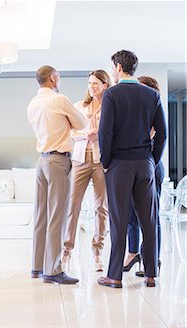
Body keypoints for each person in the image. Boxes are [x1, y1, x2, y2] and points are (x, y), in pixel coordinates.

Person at [97, 50, 167, 289]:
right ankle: (150, 274)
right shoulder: (151, 95)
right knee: (149, 220)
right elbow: (163, 133)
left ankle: (114, 276)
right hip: (145, 163)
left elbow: (105, 132)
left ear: (117, 67)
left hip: (119, 165)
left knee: (119, 221)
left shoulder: (112, 94)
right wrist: (152, 159)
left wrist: (105, 162)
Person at [27, 65, 86, 284]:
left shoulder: (32, 104)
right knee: (57, 216)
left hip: (41, 161)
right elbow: (82, 123)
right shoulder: (58, 100)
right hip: (59, 161)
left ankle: (37, 266)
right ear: (53, 78)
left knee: (41, 214)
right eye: (58, 77)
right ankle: (53, 269)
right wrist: (68, 123)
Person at [62, 70, 111, 272]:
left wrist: (98, 136)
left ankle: (97, 252)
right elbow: (70, 133)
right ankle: (66, 251)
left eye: (96, 83)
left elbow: (114, 133)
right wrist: (86, 135)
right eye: (90, 83)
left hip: (101, 162)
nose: (92, 86)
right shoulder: (78, 106)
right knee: (73, 206)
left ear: (105, 85)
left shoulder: (110, 107)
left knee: (102, 208)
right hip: (80, 160)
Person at [123, 76, 164, 277]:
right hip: (138, 164)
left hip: (151, 164)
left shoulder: (153, 109)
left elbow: (159, 137)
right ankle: (133, 253)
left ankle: (153, 258)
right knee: (131, 214)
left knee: (151, 216)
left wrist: (153, 162)